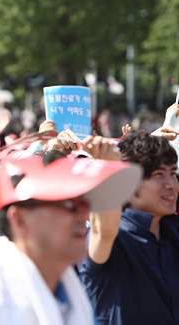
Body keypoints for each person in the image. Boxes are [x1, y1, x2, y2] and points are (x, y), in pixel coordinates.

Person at [0, 153, 142, 325]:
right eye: (67, 204)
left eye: (84, 202)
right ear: (19, 220)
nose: (83, 215)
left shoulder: (72, 296)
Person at [78, 129, 179, 325]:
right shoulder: (113, 237)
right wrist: (111, 167)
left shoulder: (172, 232)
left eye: (173, 173)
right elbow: (103, 230)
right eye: (158, 174)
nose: (171, 184)